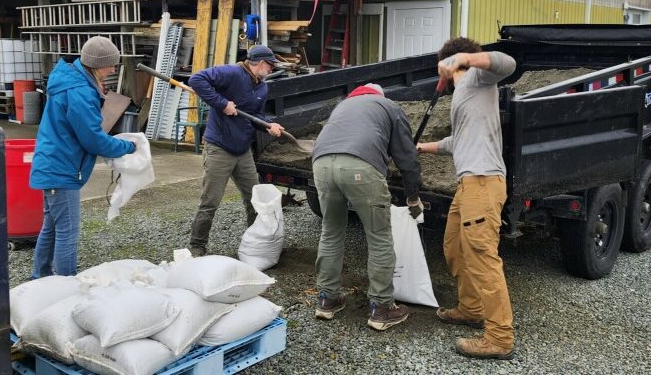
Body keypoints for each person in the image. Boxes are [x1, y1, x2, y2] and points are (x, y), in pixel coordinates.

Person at [416, 37, 517, 359]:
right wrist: (420, 148)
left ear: (448, 63)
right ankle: (471, 308)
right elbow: (456, 142)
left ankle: (500, 339)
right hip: (468, 185)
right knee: (455, 248)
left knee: (482, 258)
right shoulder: (463, 92)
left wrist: (463, 58)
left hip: (483, 182)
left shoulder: (477, 77)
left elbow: (507, 63)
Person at [311, 83, 424, 331]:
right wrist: (413, 196)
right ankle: (382, 308)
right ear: (379, 96)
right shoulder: (389, 106)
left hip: (320, 164)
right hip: (360, 167)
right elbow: (407, 158)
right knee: (379, 237)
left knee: (330, 232)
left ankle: (327, 300)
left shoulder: (342, 107)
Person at [30, 36, 137, 278]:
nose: (113, 69)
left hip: (53, 164)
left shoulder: (74, 82)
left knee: (51, 228)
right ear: (98, 64)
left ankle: (40, 279)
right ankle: (67, 286)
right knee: (67, 232)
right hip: (62, 169)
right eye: (111, 65)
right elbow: (93, 139)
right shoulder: (79, 91)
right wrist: (127, 147)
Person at [187, 45, 286, 256]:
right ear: (260, 63)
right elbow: (196, 80)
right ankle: (197, 246)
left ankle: (257, 243)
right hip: (219, 148)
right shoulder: (232, 73)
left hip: (243, 151)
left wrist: (269, 125)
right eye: (270, 65)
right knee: (210, 201)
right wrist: (222, 103)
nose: (271, 69)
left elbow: (255, 115)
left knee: (255, 199)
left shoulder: (262, 87)